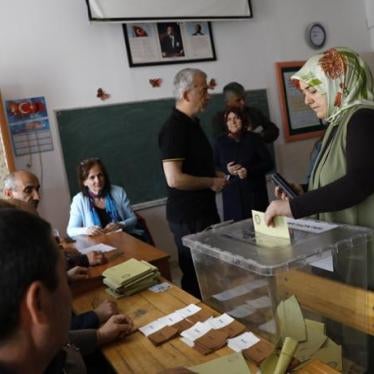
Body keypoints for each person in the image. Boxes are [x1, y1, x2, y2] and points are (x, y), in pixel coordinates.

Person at [159, 68, 227, 298]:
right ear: (187, 94)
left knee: (211, 273)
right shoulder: (174, 128)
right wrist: (210, 182)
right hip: (189, 217)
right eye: (204, 88)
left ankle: (215, 321)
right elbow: (174, 178)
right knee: (198, 277)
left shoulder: (192, 124)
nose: (209, 94)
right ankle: (200, 324)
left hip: (202, 212)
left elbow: (194, 166)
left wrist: (217, 174)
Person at [214, 107, 273, 221]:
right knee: (235, 231)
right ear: (226, 123)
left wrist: (248, 171)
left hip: (255, 196)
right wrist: (227, 170)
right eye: (229, 119)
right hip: (232, 197)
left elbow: (268, 163)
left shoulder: (254, 139)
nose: (233, 122)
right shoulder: (220, 142)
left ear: (243, 120)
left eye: (236, 118)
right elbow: (214, 166)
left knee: (258, 230)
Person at [67, 158, 139, 238]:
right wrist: (87, 230)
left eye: (100, 175)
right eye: (92, 177)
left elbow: (133, 219)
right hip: (97, 244)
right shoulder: (78, 200)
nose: (97, 180)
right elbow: (71, 230)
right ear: (84, 182)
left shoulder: (118, 192)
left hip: (123, 239)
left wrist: (120, 224)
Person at [212, 81, 279, 143]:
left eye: (244, 98)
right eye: (238, 100)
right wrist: (243, 137)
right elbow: (220, 142)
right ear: (227, 102)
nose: (243, 102)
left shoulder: (254, 112)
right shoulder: (219, 119)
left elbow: (274, 130)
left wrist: (259, 135)